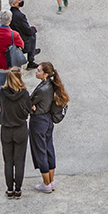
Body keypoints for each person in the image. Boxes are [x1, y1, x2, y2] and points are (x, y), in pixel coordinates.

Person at [29, 61, 67, 193]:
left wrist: (32, 107)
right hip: (48, 119)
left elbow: (29, 102)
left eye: (39, 70)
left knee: (40, 150)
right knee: (49, 148)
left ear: (45, 74)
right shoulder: (51, 85)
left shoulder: (41, 89)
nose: (36, 71)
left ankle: (46, 183)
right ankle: (50, 181)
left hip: (38, 120)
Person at [0, 67, 31, 199]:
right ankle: (18, 189)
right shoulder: (24, 94)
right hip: (20, 128)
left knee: (8, 161)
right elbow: (28, 110)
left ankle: (9, 189)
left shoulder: (3, 93)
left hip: (6, 129)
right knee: (19, 161)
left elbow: (0, 106)